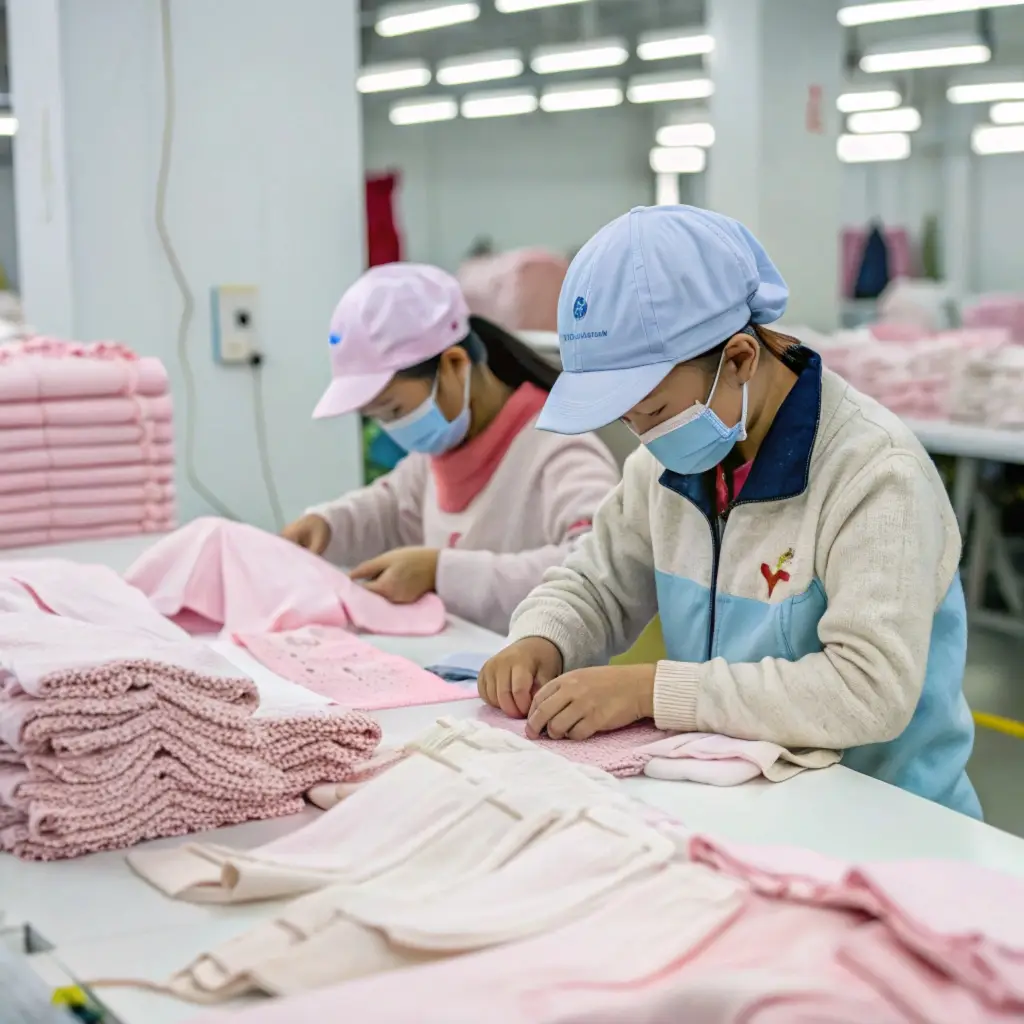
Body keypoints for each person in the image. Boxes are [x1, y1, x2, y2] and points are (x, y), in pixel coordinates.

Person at [478, 205, 980, 818]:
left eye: (654, 411)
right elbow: (595, 583)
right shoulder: (666, 466)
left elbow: (867, 690)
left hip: (888, 821)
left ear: (740, 358)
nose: (641, 435)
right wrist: (542, 638)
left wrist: (651, 691)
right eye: (625, 417)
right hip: (743, 803)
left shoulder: (874, 474)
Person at [283, 262, 619, 635]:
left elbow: (597, 564)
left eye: (395, 409)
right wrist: (325, 526)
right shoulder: (437, 456)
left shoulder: (559, 450)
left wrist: (442, 573)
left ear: (455, 364)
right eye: (378, 417)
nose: (393, 428)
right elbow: (391, 508)